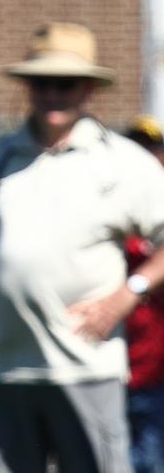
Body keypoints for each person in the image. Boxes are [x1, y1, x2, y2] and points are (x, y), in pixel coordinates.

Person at [0, 22, 164, 473]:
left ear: (88, 89)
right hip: (1, 366)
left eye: (64, 83)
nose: (52, 94)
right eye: (42, 82)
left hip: (87, 368)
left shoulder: (123, 162)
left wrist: (129, 293)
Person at [122, 114, 164, 473]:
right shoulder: (113, 208)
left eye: (151, 148)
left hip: (154, 366)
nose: (143, 156)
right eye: (135, 148)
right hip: (113, 363)